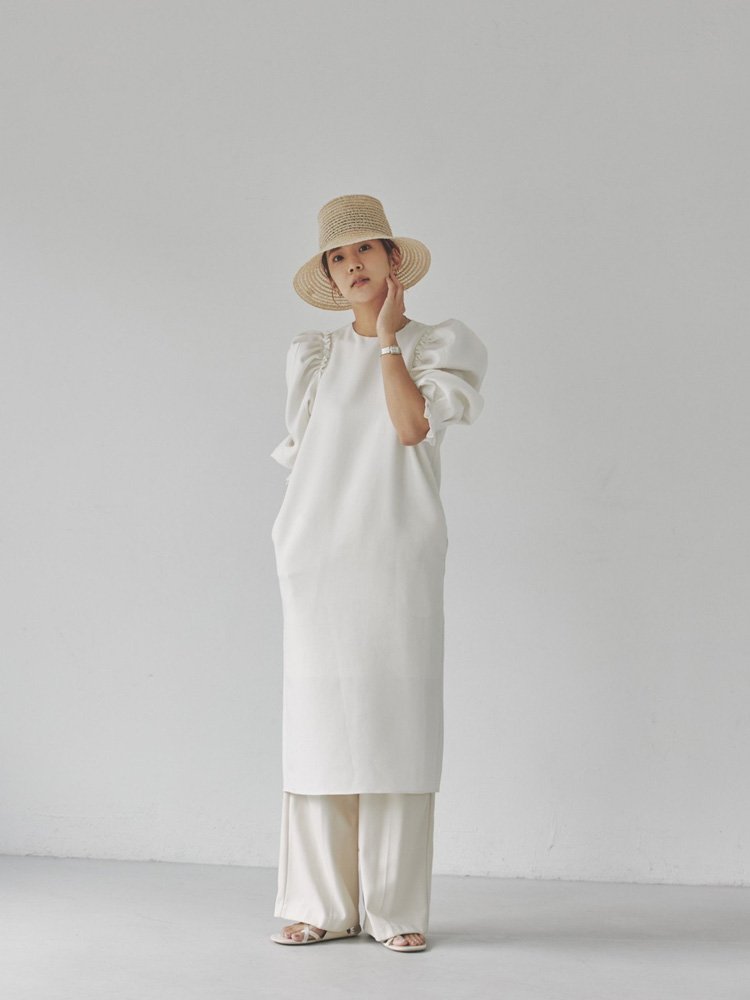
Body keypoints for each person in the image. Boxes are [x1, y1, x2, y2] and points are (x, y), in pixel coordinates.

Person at [269, 194, 488, 952]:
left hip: (396, 557)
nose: (351, 264)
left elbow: (410, 426)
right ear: (330, 274)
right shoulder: (314, 355)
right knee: (318, 726)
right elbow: (306, 460)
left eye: (364, 248)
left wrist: (388, 340)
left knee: (396, 723)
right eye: (337, 256)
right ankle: (320, 905)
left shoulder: (438, 345)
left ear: (394, 259)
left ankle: (395, 908)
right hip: (317, 561)